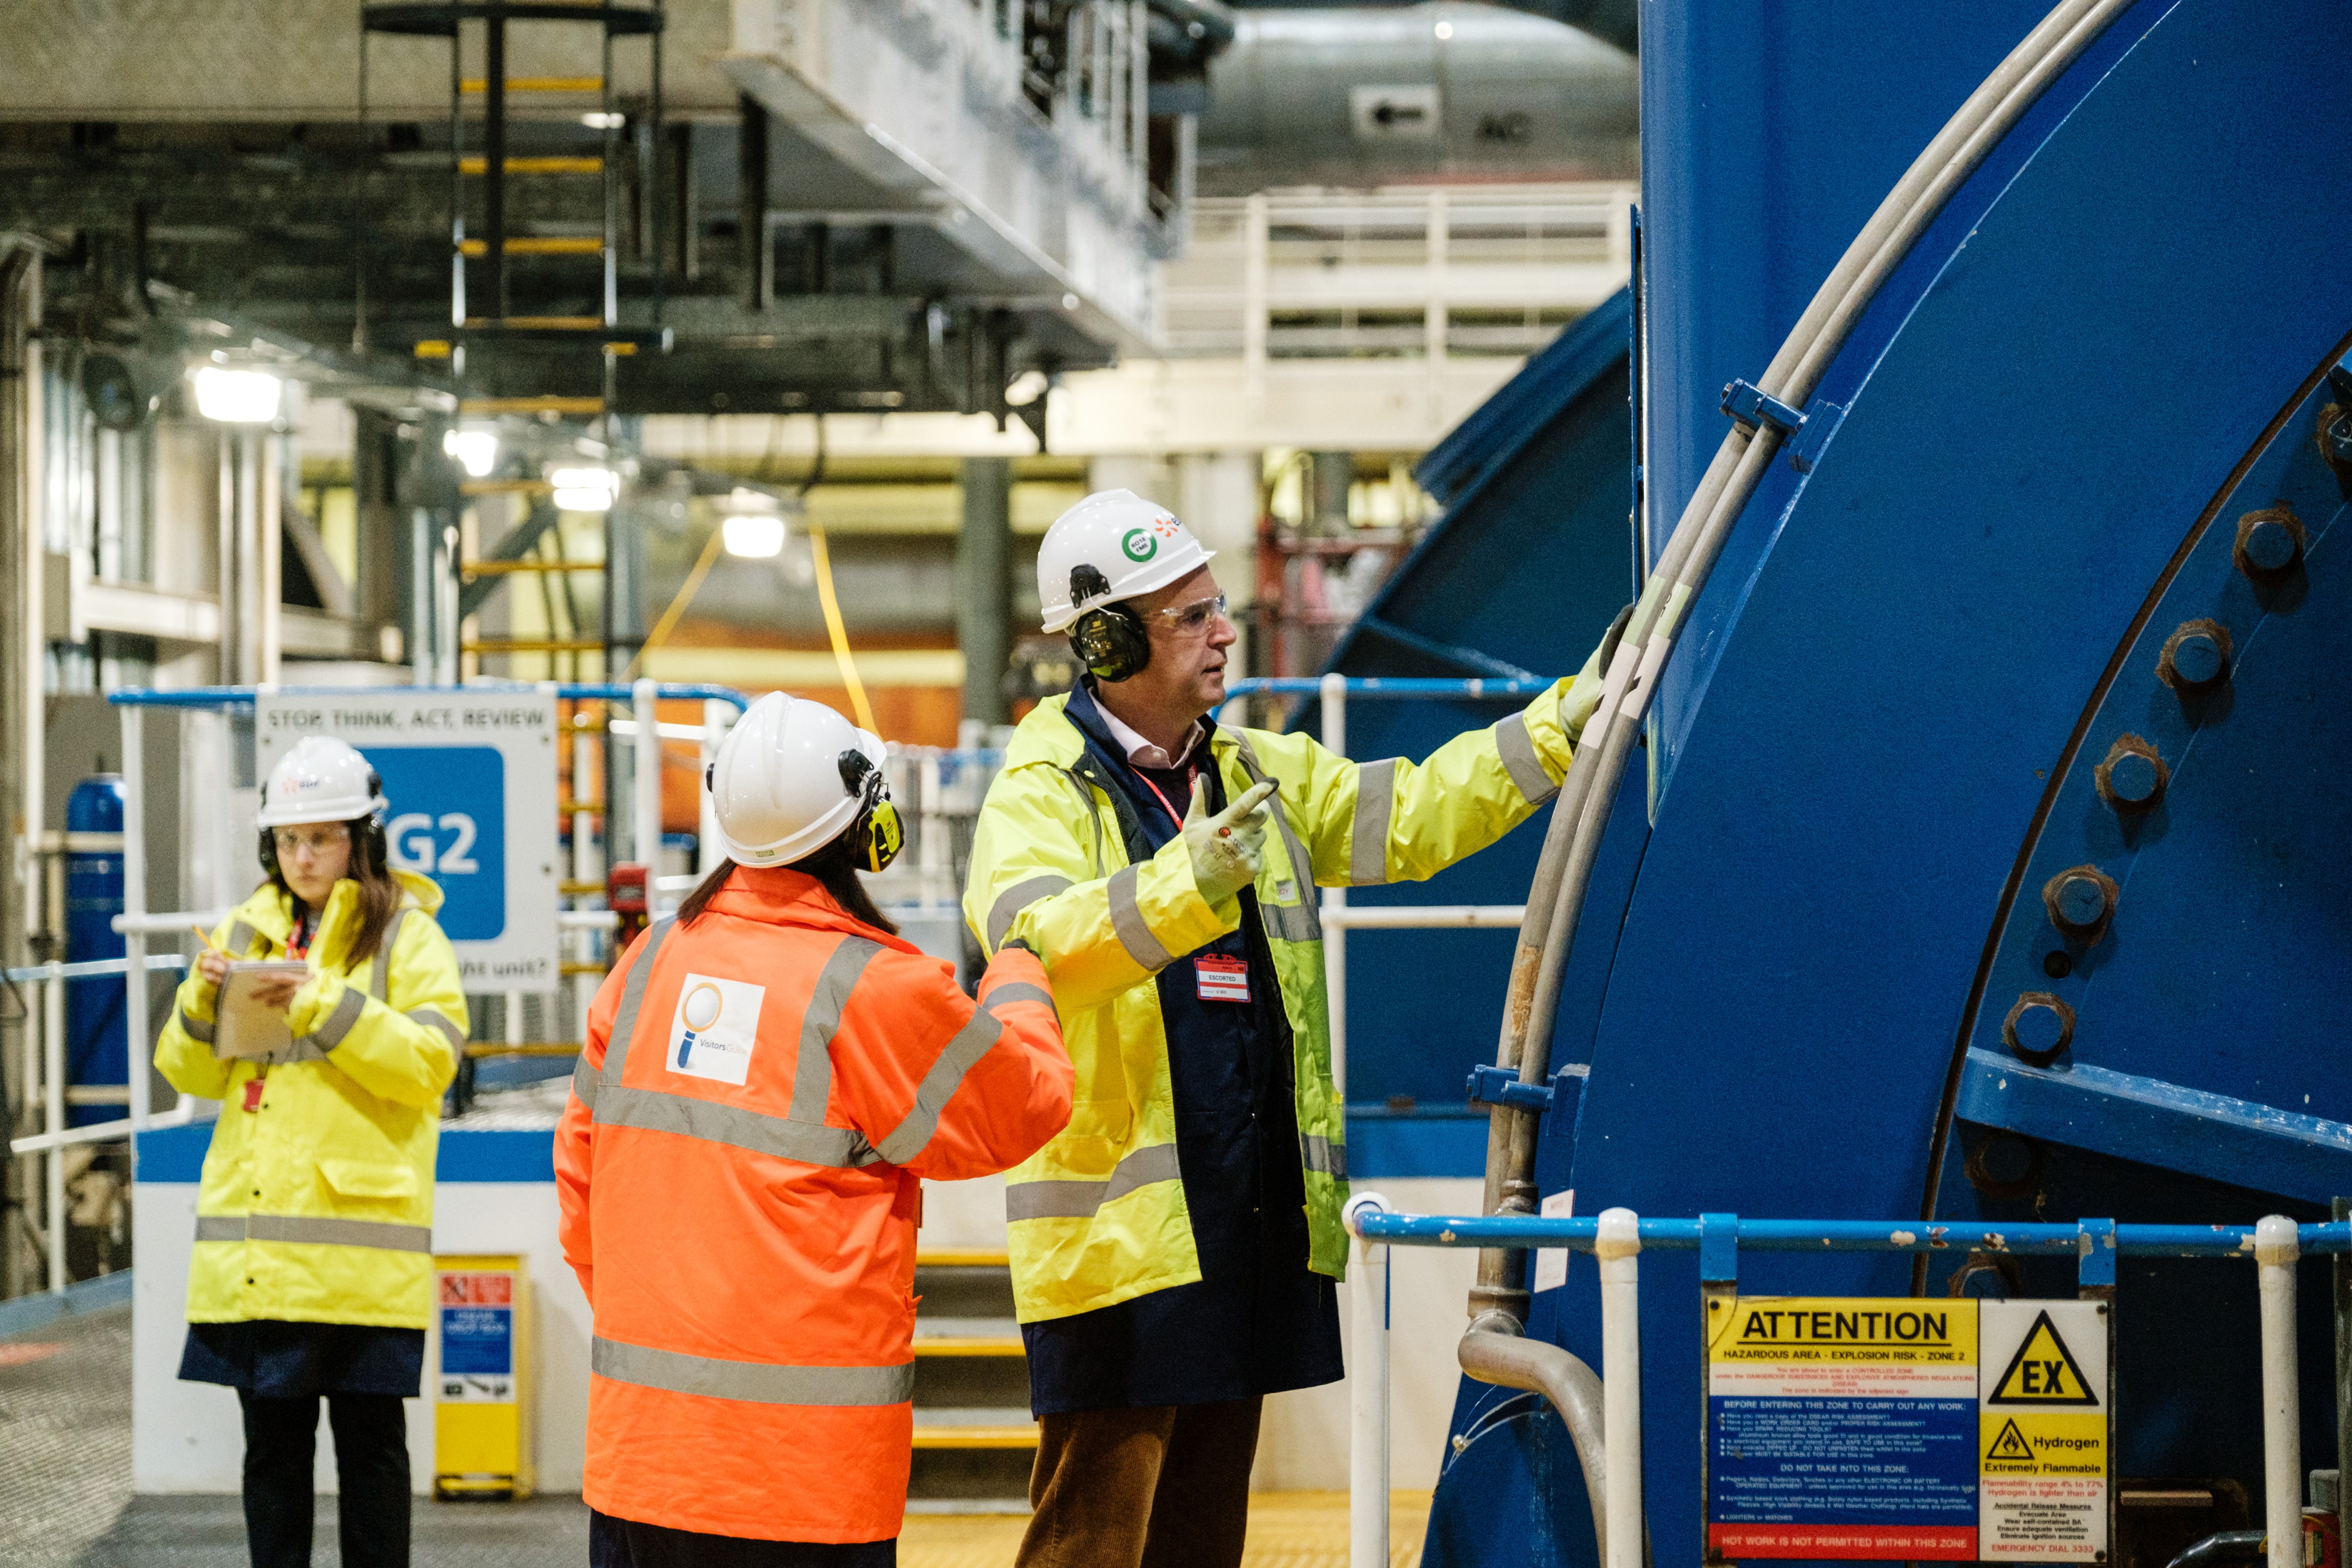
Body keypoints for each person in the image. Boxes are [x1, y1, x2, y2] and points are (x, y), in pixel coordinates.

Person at [962, 488, 1610, 1566]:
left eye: (1219, 608)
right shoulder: (1039, 791)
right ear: (1108, 638)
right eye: (1191, 616)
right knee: (1090, 1540)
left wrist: (1560, 725)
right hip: (1121, 1255)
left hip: (1240, 1226)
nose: (1225, 633)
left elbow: (1412, 813)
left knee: (1203, 1537)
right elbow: (1034, 943)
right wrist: (1187, 881)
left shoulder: (1255, 770)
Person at [557, 692, 1072, 1565]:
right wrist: (1020, 975)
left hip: (644, 1462)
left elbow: (581, 1184)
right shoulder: (877, 987)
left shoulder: (649, 962)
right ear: (868, 825)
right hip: (808, 1485)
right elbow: (1024, 1106)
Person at [156, 735, 469, 1568]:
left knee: (372, 1460)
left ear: (361, 839)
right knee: (274, 1463)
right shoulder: (244, 929)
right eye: (289, 840)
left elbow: (431, 1063)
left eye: (322, 837)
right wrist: (203, 996)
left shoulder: (407, 935)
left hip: (361, 1259)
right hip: (260, 1256)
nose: (303, 856)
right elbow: (187, 1070)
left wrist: (320, 1000)